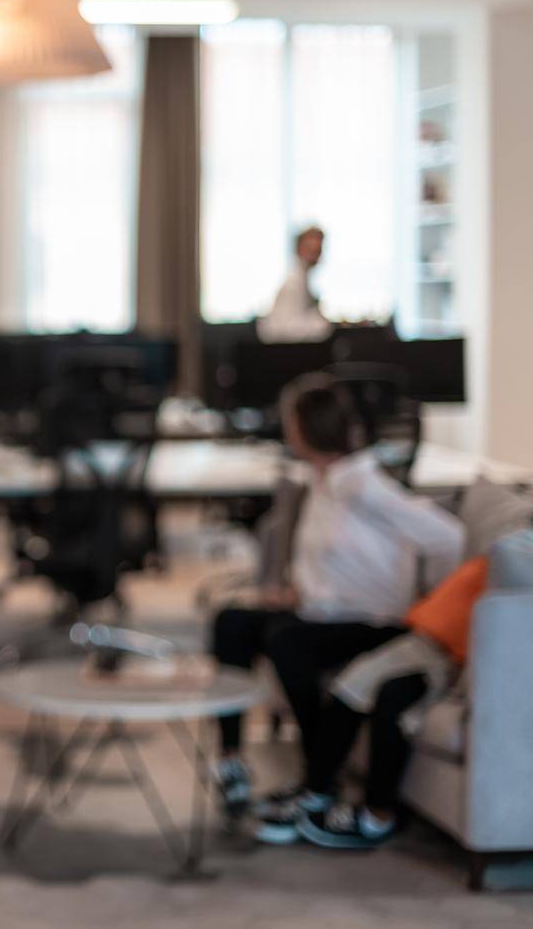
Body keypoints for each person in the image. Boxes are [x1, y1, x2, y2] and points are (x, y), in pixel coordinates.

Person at [209, 374, 464, 825]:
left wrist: (429, 600)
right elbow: (327, 560)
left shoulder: (365, 486)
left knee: (288, 642)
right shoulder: (321, 480)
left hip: (373, 620)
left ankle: (317, 775)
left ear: (306, 429)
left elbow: (449, 538)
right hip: (321, 612)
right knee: (231, 622)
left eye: (289, 422)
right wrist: (291, 590)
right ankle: (232, 761)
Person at [255, 554, 490, 849]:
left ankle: (377, 816)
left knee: (393, 696)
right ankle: (316, 793)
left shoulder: (513, 559)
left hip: (446, 660)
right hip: (417, 637)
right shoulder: (492, 556)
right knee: (347, 689)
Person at [258, 226, 332, 343]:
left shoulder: (304, 280)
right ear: (298, 249)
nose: (316, 254)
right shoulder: (293, 283)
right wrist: (322, 325)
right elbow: (284, 330)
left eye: (318, 250)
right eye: (310, 248)